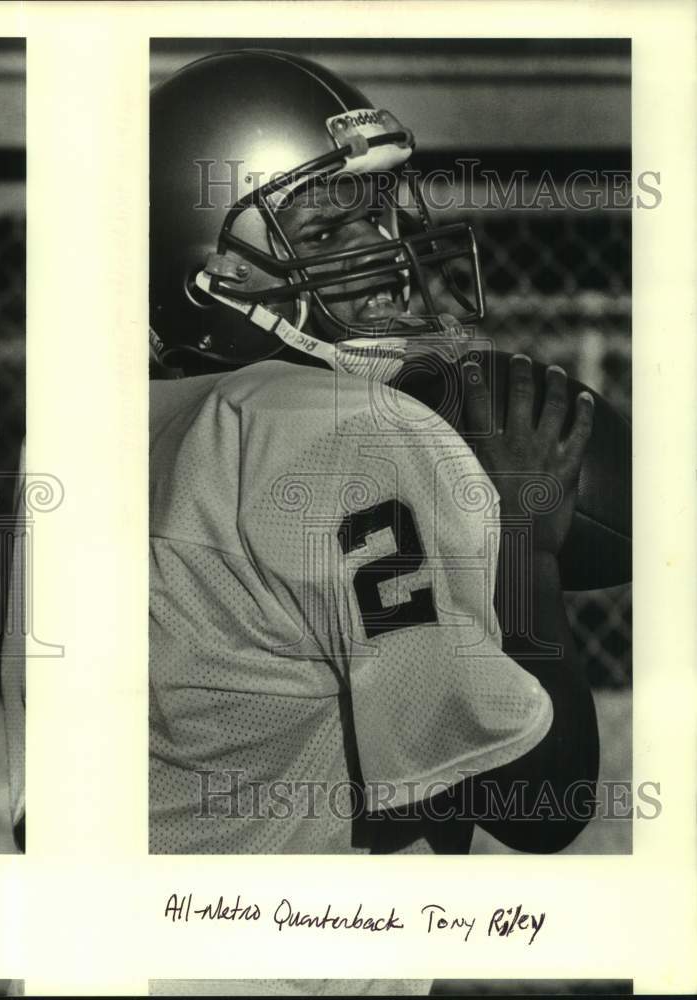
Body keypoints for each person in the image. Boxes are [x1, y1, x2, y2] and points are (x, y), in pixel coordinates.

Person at [148, 48, 600, 859]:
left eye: (380, 211)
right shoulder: (352, 433)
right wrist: (525, 540)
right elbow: (538, 801)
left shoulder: (104, 429)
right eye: (324, 230)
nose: (390, 255)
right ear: (207, 281)